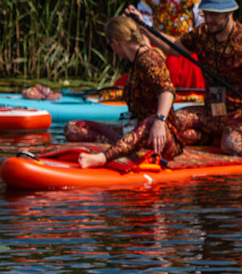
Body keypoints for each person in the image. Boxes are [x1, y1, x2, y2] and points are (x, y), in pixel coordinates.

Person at [65, 16, 201, 168]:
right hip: (137, 130)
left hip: (158, 136)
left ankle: (104, 157)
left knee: (150, 121)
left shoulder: (148, 59)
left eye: (110, 47)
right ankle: (125, 146)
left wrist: (159, 121)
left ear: (115, 42)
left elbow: (167, 90)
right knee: (74, 127)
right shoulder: (136, 61)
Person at [171, 0, 242, 154]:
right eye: (206, 14)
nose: (209, 19)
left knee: (231, 146)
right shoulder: (202, 34)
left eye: (214, 15)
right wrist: (144, 30)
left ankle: (227, 137)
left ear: (229, 13)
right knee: (170, 124)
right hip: (211, 113)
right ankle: (213, 138)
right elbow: (173, 47)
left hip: (239, 115)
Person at [125, 0, 206, 89]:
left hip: (185, 51)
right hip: (159, 50)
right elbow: (144, 28)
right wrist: (149, 54)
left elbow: (201, 28)